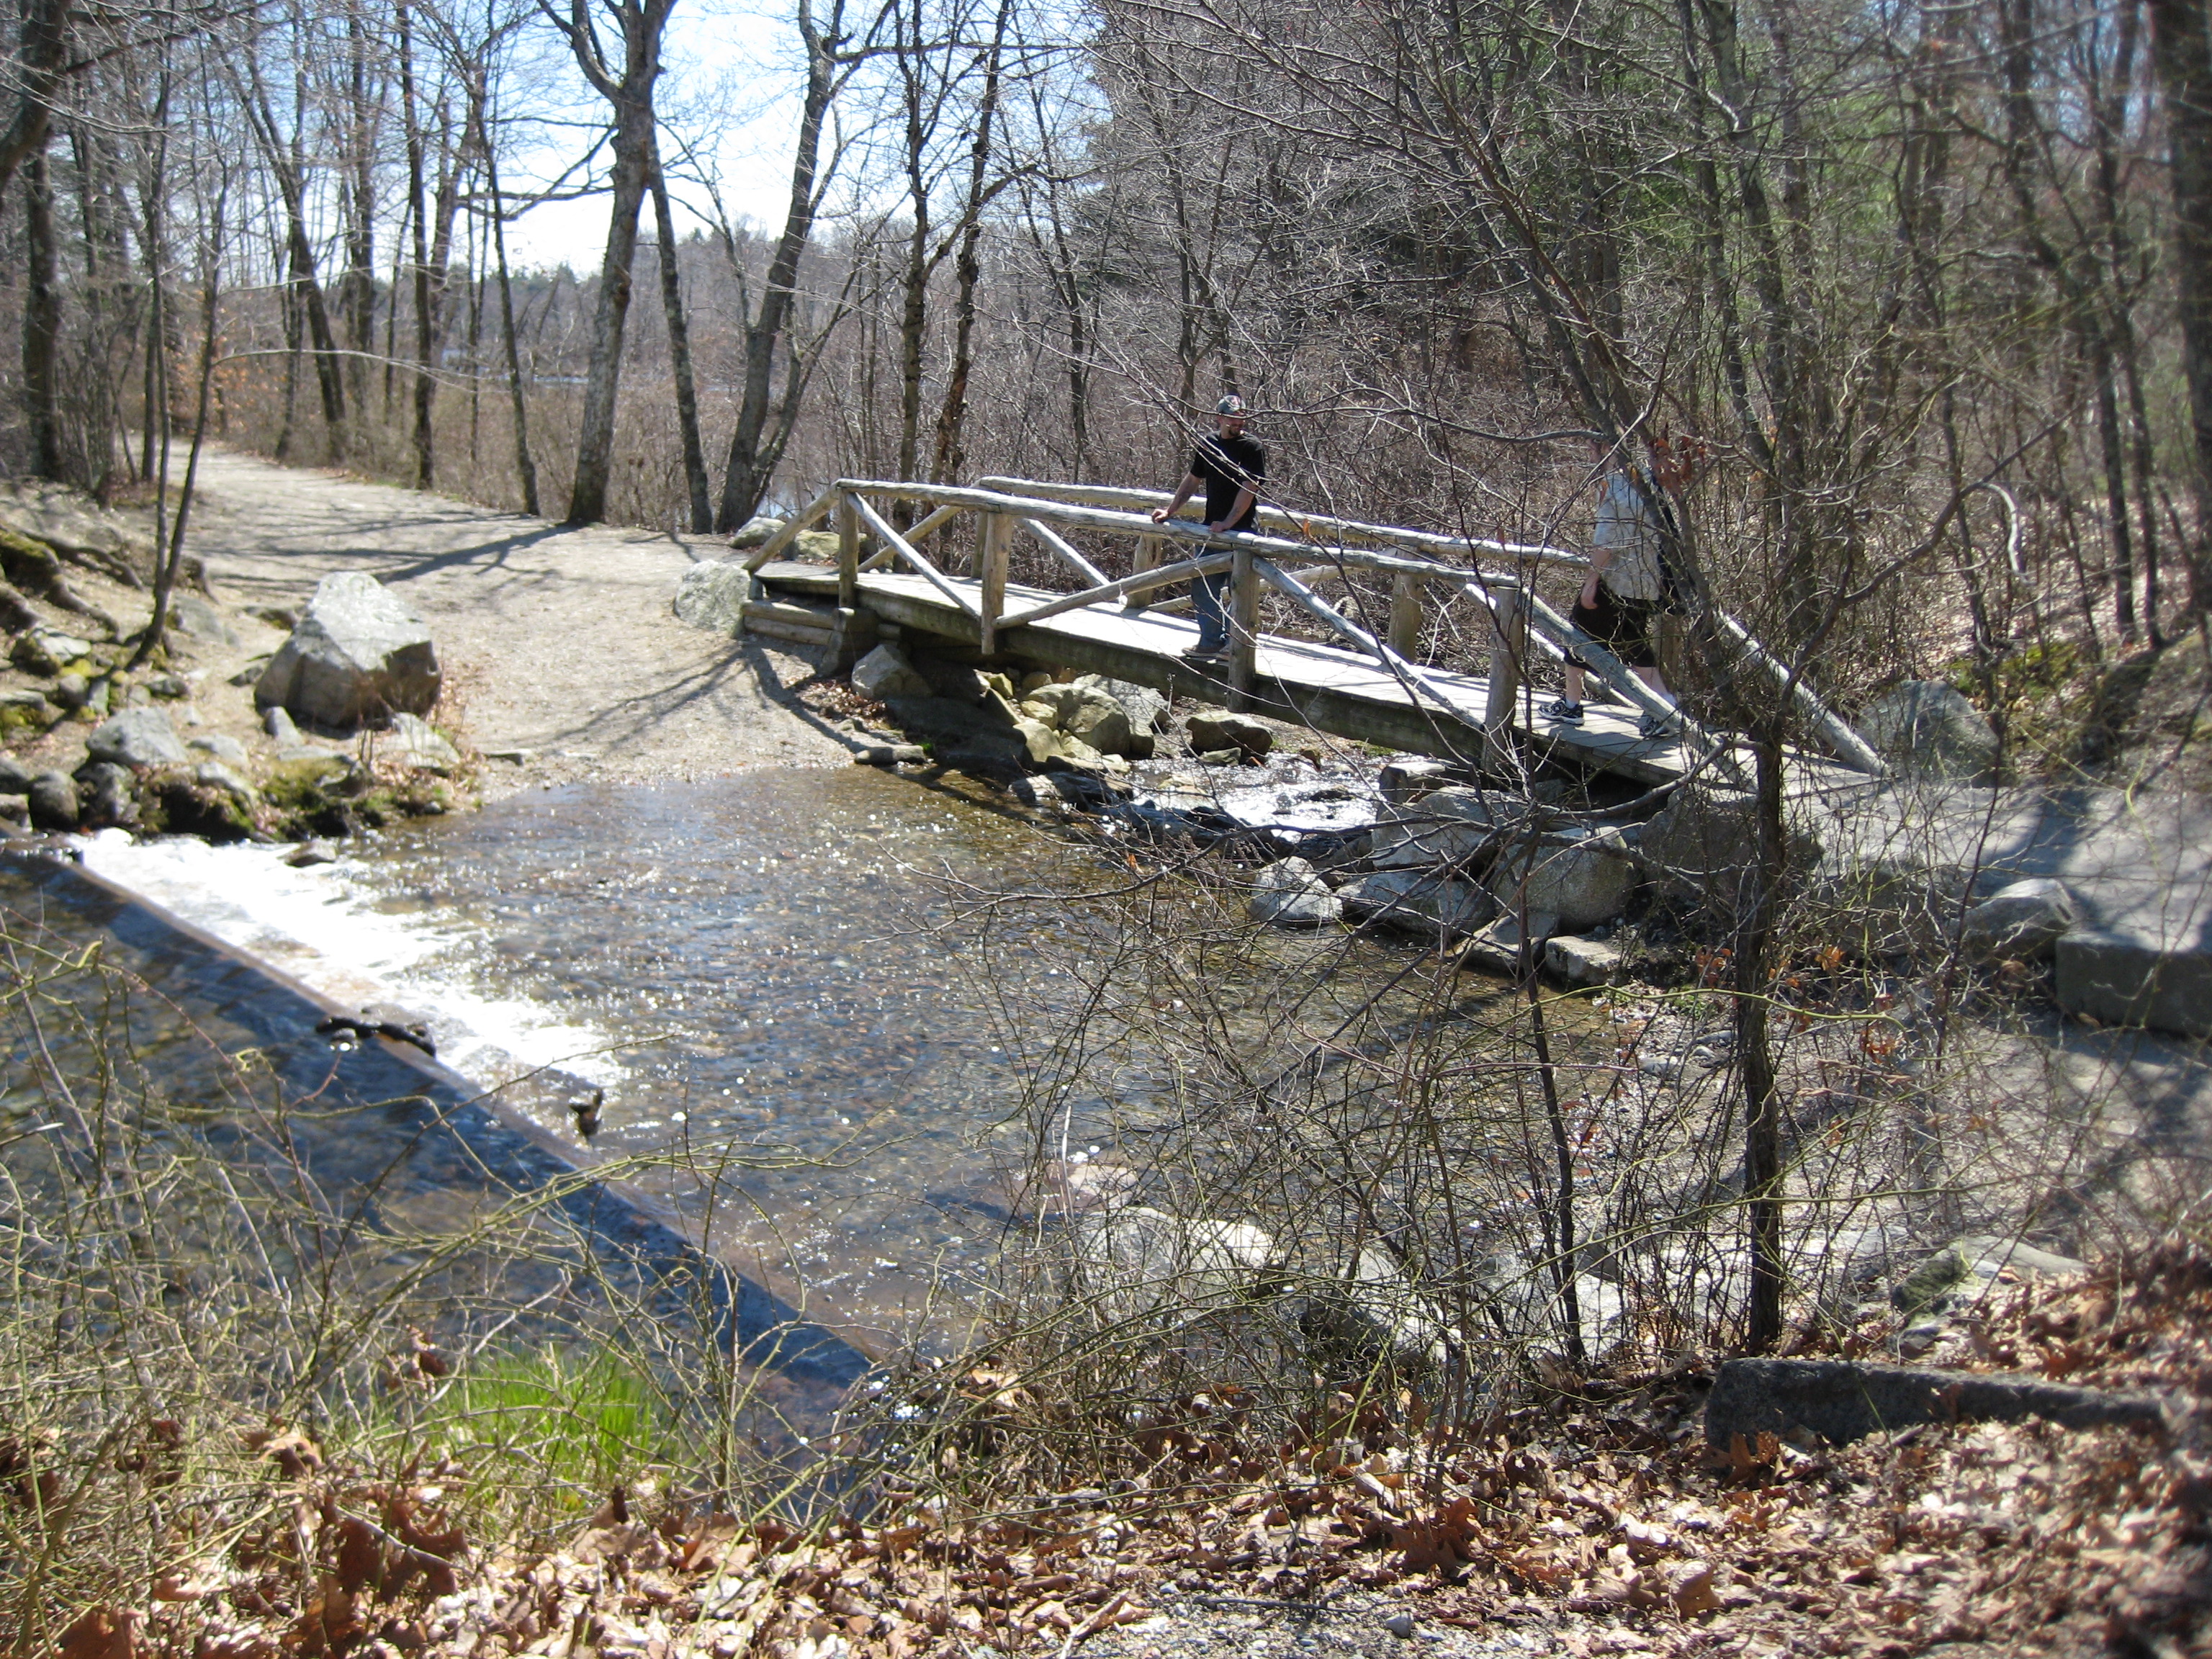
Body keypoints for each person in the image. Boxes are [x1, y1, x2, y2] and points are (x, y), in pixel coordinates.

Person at [1545, 441, 1685, 739]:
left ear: (1606, 450)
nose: (1590, 455)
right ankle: (1665, 707)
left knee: (1578, 635)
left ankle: (1572, 706)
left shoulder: (1619, 487)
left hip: (1618, 580)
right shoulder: (1644, 481)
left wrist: (1591, 582)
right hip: (1646, 582)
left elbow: (1607, 542)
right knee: (1633, 641)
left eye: (1593, 449)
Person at [1152, 395, 1264, 665]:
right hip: (1211, 529)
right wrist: (1170, 511)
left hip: (1242, 531)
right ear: (1220, 417)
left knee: (1241, 590)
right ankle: (1211, 642)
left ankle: (1235, 646)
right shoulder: (1209, 444)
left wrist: (1228, 523)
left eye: (1242, 417)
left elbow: (1250, 487)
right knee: (1203, 587)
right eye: (1233, 417)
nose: (1238, 422)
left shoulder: (1252, 447)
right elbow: (1193, 479)